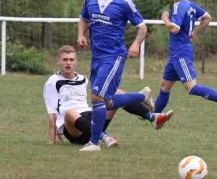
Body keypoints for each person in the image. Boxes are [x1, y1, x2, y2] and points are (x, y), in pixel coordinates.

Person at [77, 0, 173, 152]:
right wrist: (81, 34)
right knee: (107, 102)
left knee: (96, 95)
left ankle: (94, 143)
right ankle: (141, 96)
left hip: (114, 57)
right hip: (96, 57)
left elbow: (142, 27)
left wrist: (136, 43)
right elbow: (84, 18)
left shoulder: (124, 3)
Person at [44, 45, 174, 148]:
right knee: (70, 112)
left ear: (76, 62)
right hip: (73, 128)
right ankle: (104, 137)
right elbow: (52, 113)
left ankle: (152, 117)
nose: (68, 63)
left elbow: (96, 97)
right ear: (58, 61)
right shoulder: (53, 81)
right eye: (65, 60)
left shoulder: (83, 79)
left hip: (90, 117)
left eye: (71, 60)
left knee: (115, 93)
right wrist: (52, 140)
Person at [153, 0, 217, 121]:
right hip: (176, 53)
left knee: (192, 88)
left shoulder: (179, 6)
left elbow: (174, 29)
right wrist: (194, 33)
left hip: (181, 53)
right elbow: (207, 18)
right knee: (164, 86)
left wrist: (165, 18)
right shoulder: (191, 5)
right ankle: (152, 117)